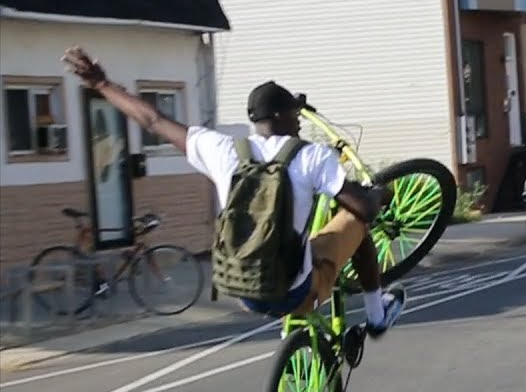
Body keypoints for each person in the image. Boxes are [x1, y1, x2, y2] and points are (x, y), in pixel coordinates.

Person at [60, 47, 406, 336]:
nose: (299, 121)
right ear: (282, 116)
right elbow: (363, 209)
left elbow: (153, 120)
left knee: (312, 245)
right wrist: (378, 194)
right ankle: (377, 316)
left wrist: (101, 83)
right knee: (355, 224)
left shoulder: (224, 150)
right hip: (292, 292)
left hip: (243, 290)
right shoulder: (311, 156)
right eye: (295, 114)